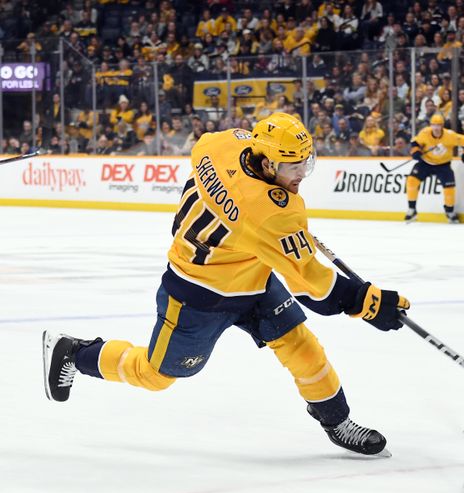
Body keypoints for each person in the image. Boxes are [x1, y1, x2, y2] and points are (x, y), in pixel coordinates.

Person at [42, 113, 410, 457]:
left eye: (305, 162)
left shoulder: (225, 144)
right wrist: (370, 302)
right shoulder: (269, 213)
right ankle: (76, 352)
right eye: (293, 166)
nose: (302, 173)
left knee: (302, 346)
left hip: (252, 278)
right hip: (198, 293)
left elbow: (213, 148)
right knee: (156, 375)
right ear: (266, 164)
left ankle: (337, 422)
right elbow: (317, 290)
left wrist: (279, 231)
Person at [404, 113, 464, 224]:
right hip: (426, 162)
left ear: (442, 126)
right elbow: (414, 141)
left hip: (443, 164)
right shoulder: (425, 133)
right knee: (411, 181)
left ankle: (450, 212)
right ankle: (412, 209)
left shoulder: (450, 135)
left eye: (438, 125)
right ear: (430, 125)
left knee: (449, 189)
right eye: (433, 125)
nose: (436, 128)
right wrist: (415, 151)